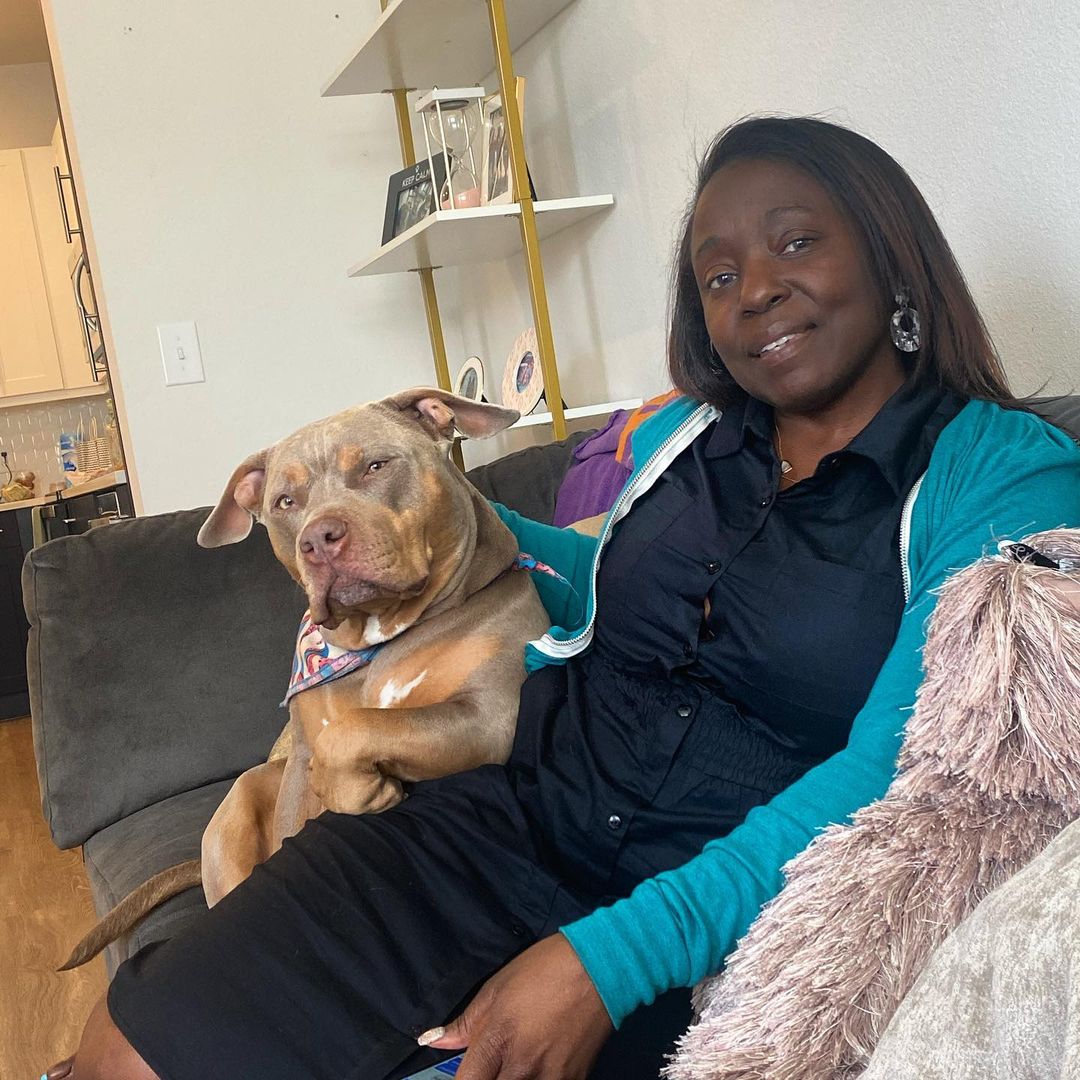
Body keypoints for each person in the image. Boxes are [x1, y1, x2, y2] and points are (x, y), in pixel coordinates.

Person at [53, 116, 1080, 1080]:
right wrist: (411, 535)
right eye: (719, 275)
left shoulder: (1003, 475)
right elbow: (612, 591)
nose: (754, 290)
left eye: (795, 243)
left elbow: (907, 771)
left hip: (717, 914)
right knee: (131, 1042)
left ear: (892, 255)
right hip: (500, 823)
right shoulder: (689, 439)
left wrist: (611, 958)